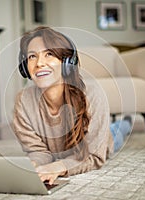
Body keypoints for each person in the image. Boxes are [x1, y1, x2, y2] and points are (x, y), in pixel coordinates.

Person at [12, 26, 131, 185]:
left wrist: (58, 167)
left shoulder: (93, 94)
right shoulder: (23, 100)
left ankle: (126, 123)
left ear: (67, 62)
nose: (39, 63)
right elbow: (37, 150)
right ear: (24, 67)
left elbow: (95, 156)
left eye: (49, 54)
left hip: (105, 138)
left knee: (117, 132)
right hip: (62, 152)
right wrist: (35, 164)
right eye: (32, 56)